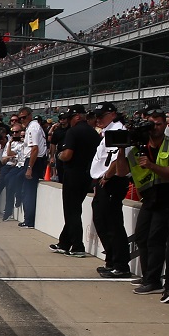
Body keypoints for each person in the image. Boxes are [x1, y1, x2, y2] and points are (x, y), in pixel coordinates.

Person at [127, 103, 169, 293]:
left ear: (165, 125)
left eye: (159, 124)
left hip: (168, 198)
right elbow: (122, 171)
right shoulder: (140, 147)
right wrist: (122, 149)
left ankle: (153, 281)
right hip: (149, 199)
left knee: (156, 240)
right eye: (151, 123)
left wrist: (152, 166)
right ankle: (147, 277)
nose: (154, 127)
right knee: (142, 237)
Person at [50, 105, 100, 257]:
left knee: (71, 211)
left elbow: (67, 155)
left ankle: (78, 246)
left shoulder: (73, 131)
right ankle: (64, 243)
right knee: (75, 209)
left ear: (77, 117)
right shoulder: (93, 133)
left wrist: (59, 155)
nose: (68, 121)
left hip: (73, 174)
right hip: (87, 175)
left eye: (70, 118)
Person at [89, 103, 131, 278]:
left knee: (112, 223)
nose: (98, 119)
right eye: (96, 116)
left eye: (102, 116)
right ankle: (112, 260)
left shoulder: (118, 130)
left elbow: (117, 159)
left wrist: (106, 176)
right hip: (103, 180)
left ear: (112, 114)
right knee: (101, 220)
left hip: (112, 180)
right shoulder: (107, 131)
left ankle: (120, 264)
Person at [19, 107, 49, 228]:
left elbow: (35, 149)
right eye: (20, 118)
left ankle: (29, 220)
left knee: (28, 192)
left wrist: (30, 167)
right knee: (27, 191)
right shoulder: (33, 127)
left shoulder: (33, 128)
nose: (22, 120)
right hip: (35, 160)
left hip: (34, 161)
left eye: (24, 117)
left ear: (30, 116)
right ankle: (28, 219)